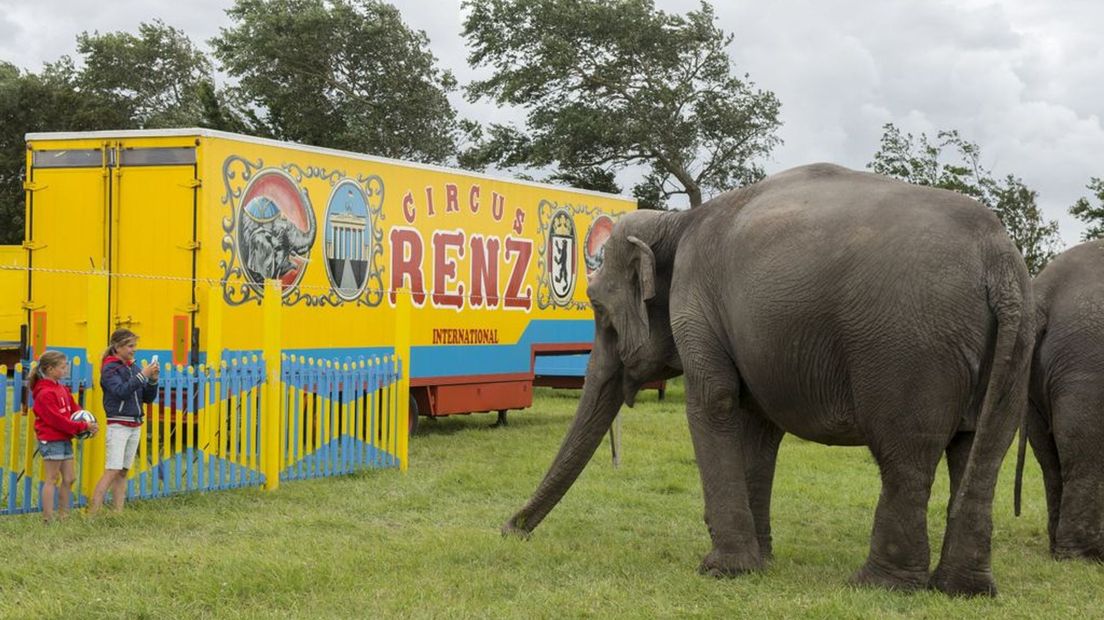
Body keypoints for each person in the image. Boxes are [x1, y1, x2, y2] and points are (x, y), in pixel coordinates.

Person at [90, 328, 159, 513]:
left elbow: (147, 398)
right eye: (130, 346)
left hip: (135, 423)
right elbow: (120, 391)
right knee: (112, 469)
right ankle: (92, 512)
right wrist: (142, 375)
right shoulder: (110, 368)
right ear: (117, 347)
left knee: (123, 471)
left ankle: (117, 512)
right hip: (118, 424)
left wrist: (152, 380)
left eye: (134, 345)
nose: (133, 349)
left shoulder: (133, 367)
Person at [31, 350, 98, 523]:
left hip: (64, 438)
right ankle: (47, 518)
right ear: (50, 369)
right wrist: (82, 426)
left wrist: (89, 425)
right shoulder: (44, 393)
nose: (66, 369)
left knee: (69, 478)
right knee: (52, 479)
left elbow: (75, 409)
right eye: (62, 366)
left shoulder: (60, 388)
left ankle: (64, 516)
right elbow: (57, 420)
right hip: (51, 439)